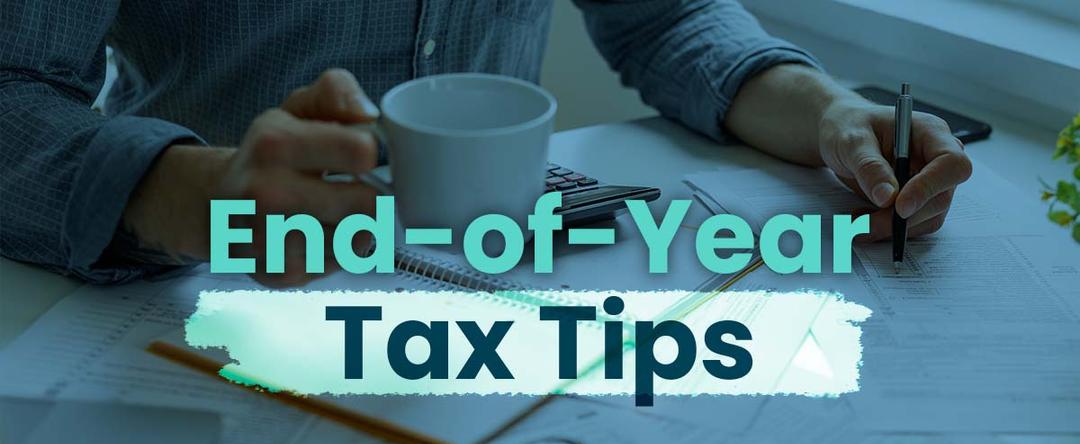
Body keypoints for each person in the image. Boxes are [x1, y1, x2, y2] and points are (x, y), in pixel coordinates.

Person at [0, 1, 971, 288]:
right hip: (185, 294)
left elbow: (666, 19)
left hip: (496, 296)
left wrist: (826, 112)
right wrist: (198, 195)